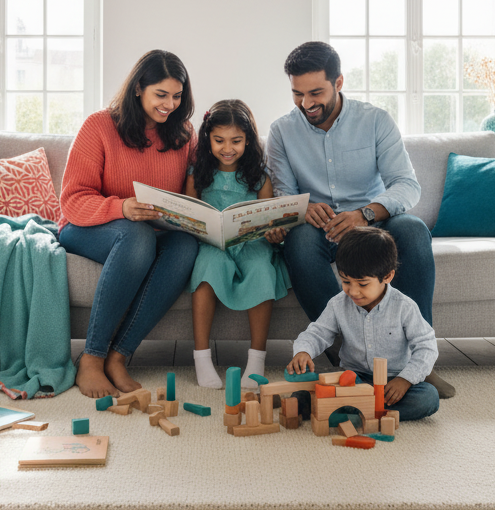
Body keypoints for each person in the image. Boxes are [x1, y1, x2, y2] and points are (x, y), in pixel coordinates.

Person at [268, 41, 455, 399]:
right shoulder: (281, 132)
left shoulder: (374, 120)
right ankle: (347, 359)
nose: (307, 104)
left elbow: (407, 186)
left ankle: (420, 363)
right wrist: (301, 209)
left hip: (373, 223)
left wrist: (364, 214)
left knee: (413, 230)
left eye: (316, 92)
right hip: (319, 230)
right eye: (297, 94)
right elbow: (282, 197)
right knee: (300, 240)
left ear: (339, 82)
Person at [59, 50, 199, 399]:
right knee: (136, 236)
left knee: (186, 246)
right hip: (87, 226)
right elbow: (72, 199)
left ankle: (119, 356)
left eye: (177, 96)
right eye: (161, 95)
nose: (169, 104)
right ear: (139, 88)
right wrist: (121, 207)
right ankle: (91, 358)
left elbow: (190, 194)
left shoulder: (184, 133)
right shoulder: (99, 125)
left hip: (152, 230)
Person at [184, 100, 290, 390]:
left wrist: (274, 232)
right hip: (212, 243)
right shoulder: (197, 173)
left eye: (236, 141)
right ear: (207, 139)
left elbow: (269, 217)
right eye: (219, 140)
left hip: (252, 243)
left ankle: (256, 360)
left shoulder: (258, 175)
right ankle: (202, 358)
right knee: (208, 268)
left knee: (260, 269)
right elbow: (189, 214)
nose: (227, 148)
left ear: (248, 141)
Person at [287, 226, 440, 421]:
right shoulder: (338, 304)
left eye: (363, 284)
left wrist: (405, 379)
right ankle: (362, 410)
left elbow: (426, 347)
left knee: (428, 398)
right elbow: (318, 333)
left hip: (392, 381)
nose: (353, 291)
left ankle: (350, 412)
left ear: (387, 276)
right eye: (345, 281)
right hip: (353, 378)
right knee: (313, 386)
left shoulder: (405, 307)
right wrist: (303, 351)